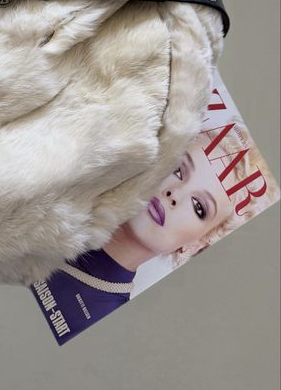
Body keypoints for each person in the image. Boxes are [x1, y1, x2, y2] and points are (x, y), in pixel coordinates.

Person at [31, 127, 278, 343]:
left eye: (199, 207)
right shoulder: (54, 190)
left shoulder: (105, 323)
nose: (174, 193)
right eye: (179, 170)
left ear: (199, 244)